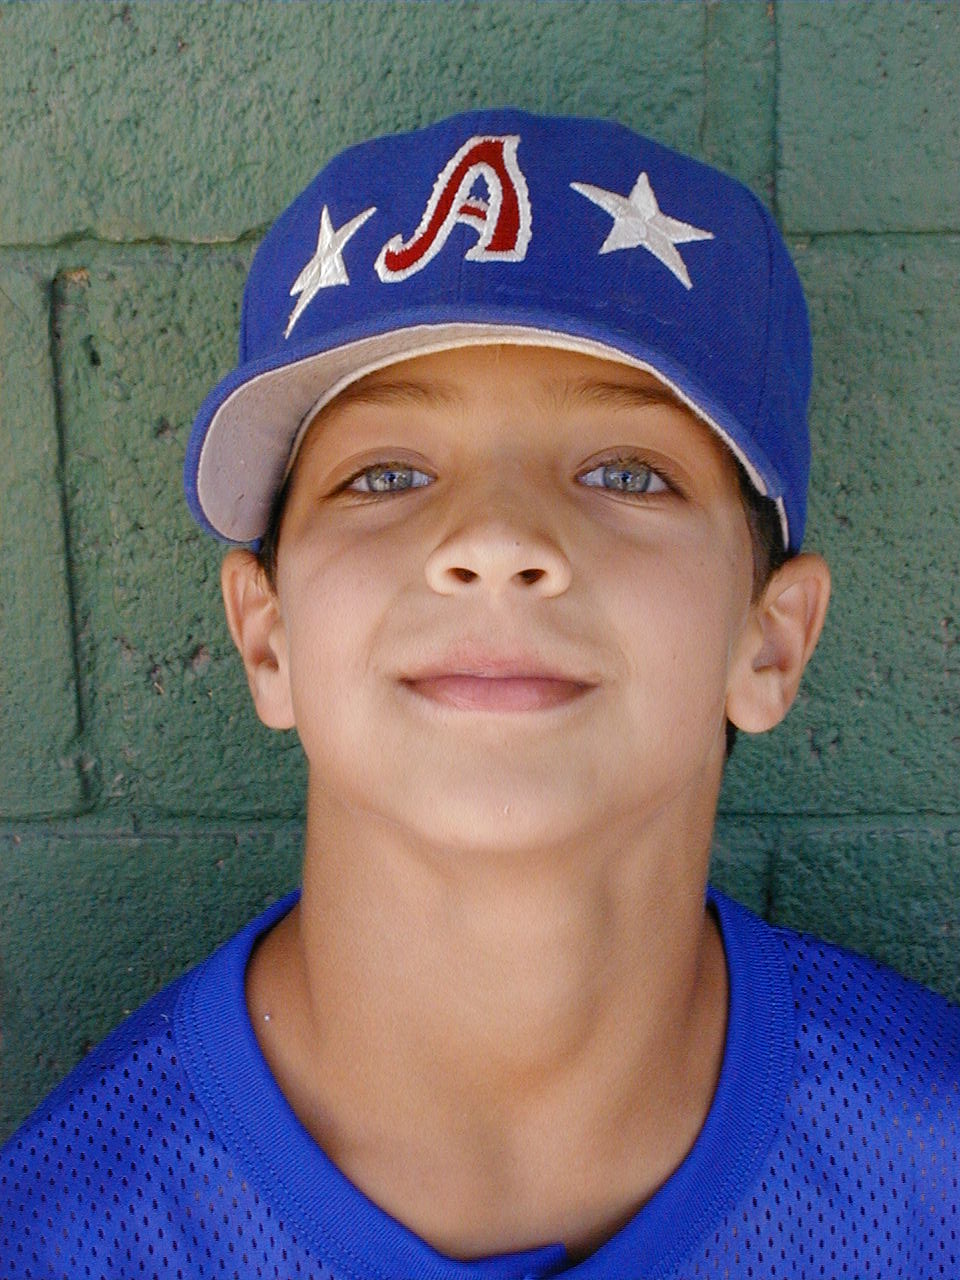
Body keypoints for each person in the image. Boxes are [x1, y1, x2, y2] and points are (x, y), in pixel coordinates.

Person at [2, 108, 957, 1279]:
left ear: (771, 642)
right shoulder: (64, 1236)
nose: (498, 540)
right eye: (385, 474)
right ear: (267, 636)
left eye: (627, 472)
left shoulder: (932, 1181)